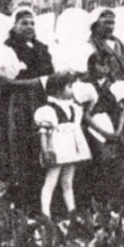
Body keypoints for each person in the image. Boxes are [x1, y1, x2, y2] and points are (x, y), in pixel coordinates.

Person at [0, 8, 54, 213]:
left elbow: (48, 75)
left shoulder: (42, 48)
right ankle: (19, 199)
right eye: (24, 23)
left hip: (39, 101)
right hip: (16, 104)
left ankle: (39, 198)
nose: (29, 27)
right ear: (13, 26)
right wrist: (32, 81)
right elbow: (2, 80)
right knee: (17, 147)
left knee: (40, 145)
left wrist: (35, 81)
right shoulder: (7, 49)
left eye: (32, 23)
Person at [84, 8, 124, 198]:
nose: (110, 26)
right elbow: (95, 72)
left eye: (112, 23)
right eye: (106, 22)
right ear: (95, 24)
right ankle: (105, 192)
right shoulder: (90, 45)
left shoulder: (119, 44)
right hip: (103, 100)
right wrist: (111, 88)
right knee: (106, 144)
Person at [34, 73, 93, 218]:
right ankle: (45, 214)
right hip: (57, 149)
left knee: (67, 181)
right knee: (51, 181)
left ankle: (72, 211)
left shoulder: (74, 109)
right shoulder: (49, 110)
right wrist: (46, 150)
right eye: (69, 87)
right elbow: (44, 132)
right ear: (58, 90)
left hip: (71, 149)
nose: (73, 90)